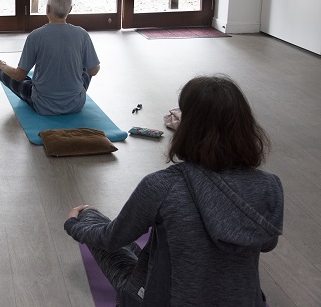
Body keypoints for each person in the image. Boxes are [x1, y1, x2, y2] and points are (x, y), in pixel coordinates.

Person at [64, 75, 284, 306]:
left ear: (188, 127)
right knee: (163, 243)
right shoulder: (269, 186)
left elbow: (110, 239)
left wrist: (74, 226)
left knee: (90, 217)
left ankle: (86, 215)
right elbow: (267, 244)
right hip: (244, 300)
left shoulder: (162, 185)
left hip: (159, 299)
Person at [0, 0, 100, 115]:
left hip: (43, 105)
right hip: (76, 104)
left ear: (47, 9)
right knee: (87, 66)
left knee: (1, 70)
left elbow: (19, 76)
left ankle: (0, 68)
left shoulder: (35, 36)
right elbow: (93, 70)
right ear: (70, 9)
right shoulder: (82, 34)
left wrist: (2, 65)